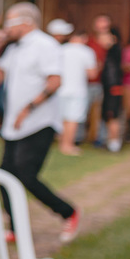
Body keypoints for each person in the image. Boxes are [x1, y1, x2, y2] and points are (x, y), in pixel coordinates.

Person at [0, 3, 80, 242]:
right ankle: (16, 229)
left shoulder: (45, 45)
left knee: (26, 175)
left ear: (26, 23)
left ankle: (68, 212)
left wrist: (28, 108)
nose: (6, 28)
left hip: (39, 122)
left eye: (9, 23)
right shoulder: (14, 49)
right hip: (13, 125)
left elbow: (55, 81)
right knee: (4, 176)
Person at [46, 19, 95, 156]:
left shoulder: (61, 50)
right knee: (72, 119)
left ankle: (63, 143)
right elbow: (92, 74)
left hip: (60, 89)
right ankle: (67, 145)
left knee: (62, 118)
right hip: (77, 90)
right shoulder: (87, 52)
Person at [90, 16, 124, 152]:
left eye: (105, 32)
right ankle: (106, 140)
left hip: (113, 84)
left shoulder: (114, 49)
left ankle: (114, 143)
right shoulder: (103, 50)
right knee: (106, 113)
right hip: (105, 84)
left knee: (112, 114)